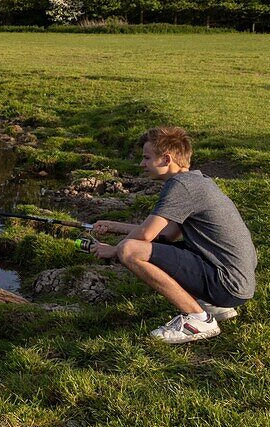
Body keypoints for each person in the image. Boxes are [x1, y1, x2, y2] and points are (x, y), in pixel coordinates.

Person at [92, 126, 257, 344]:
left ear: (166, 159)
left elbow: (146, 235)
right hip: (237, 282)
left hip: (227, 284)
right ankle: (212, 305)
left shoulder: (180, 186)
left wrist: (113, 250)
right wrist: (114, 226)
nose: (142, 164)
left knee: (129, 250)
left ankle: (198, 320)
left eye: (147, 157)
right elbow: (167, 235)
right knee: (144, 248)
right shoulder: (198, 181)